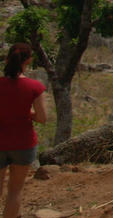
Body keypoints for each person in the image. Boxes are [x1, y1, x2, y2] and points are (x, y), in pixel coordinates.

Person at [0, 43, 47, 218]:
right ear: (28, 60)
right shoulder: (35, 87)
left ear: (7, 59)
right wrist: (27, 113)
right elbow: (42, 118)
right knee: (15, 191)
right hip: (23, 143)